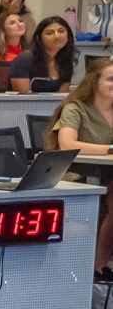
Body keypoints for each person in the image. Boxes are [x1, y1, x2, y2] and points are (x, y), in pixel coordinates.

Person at [45, 68, 113, 273]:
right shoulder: (76, 108)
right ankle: (98, 269)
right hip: (77, 175)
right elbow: (67, 144)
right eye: (110, 79)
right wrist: (108, 149)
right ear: (94, 82)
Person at [11, 16, 80, 93]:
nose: (57, 36)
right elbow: (23, 98)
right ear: (38, 38)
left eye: (61, 31)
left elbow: (61, 96)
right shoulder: (24, 60)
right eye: (49, 33)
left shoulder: (66, 60)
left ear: (68, 36)